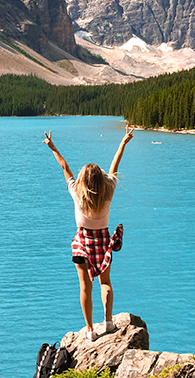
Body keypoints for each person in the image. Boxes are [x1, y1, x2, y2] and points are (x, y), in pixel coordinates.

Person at [43, 125, 135, 341]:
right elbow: (114, 166)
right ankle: (109, 322)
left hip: (83, 242)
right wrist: (123, 141)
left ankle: (91, 330)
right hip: (103, 241)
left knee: (85, 286)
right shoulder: (109, 189)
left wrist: (52, 147)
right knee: (105, 282)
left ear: (84, 180)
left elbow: (65, 167)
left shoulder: (76, 192)